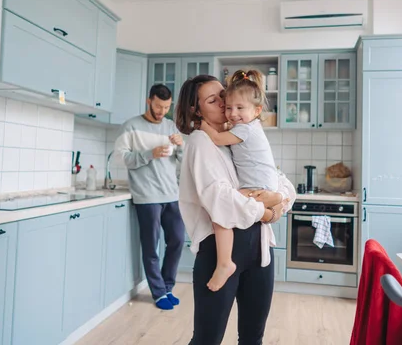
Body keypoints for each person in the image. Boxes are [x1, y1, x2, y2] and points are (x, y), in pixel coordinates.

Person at [175, 75, 296, 344]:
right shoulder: (200, 141)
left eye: (223, 94)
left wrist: (278, 199)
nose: (223, 102)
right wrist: (267, 211)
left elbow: (279, 179)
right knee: (207, 338)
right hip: (219, 251)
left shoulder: (239, 135)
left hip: (260, 248)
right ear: (196, 110)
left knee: (253, 337)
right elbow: (221, 199)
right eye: (212, 99)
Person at [200, 69, 279, 292]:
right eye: (228, 108)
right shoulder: (247, 126)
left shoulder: (245, 130)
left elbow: (216, 138)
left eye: (240, 108)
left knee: (221, 211)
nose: (233, 113)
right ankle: (226, 262)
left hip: (258, 187)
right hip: (263, 185)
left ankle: (225, 263)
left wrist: (200, 123)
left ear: (257, 110)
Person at [114, 84, 185, 311]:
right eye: (157, 106)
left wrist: (181, 145)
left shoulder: (170, 126)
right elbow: (120, 158)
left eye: (166, 107)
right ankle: (158, 292)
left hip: (171, 194)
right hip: (146, 196)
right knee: (151, 246)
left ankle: (167, 286)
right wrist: (149, 154)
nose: (161, 111)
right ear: (148, 101)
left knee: (177, 240)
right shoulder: (131, 126)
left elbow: (182, 159)